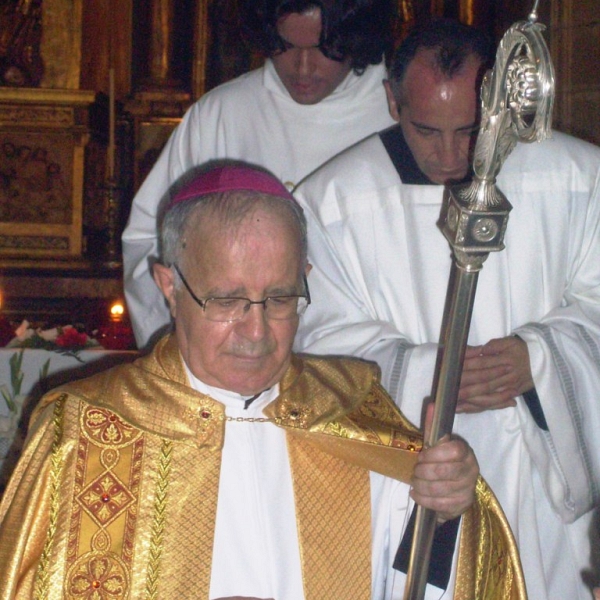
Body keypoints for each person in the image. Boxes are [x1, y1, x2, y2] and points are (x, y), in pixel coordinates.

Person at [0, 163, 526, 599]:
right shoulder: (85, 427)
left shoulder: (353, 407)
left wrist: (448, 506)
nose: (256, 331)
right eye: (226, 301)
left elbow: (415, 578)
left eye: (280, 299)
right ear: (168, 285)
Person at [293, 19, 600, 599]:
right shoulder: (333, 201)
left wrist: (541, 360)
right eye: (427, 130)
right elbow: (317, 345)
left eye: (470, 129)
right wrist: (433, 376)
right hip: (412, 478)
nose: (451, 156)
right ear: (392, 99)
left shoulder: (579, 180)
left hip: (546, 485)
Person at [122, 0, 397, 350]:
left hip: (365, 357)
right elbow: (151, 240)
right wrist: (179, 354)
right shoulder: (222, 114)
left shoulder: (401, 115)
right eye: (285, 47)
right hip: (236, 354)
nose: (303, 68)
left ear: (357, 39)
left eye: (325, 50)